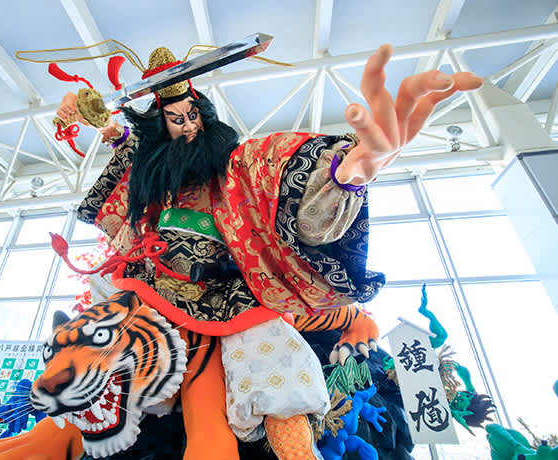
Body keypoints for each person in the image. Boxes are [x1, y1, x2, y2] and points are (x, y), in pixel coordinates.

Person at [53, 43, 483, 460]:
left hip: (225, 294)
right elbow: (128, 149)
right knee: (96, 343)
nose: (187, 127)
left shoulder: (236, 167)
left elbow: (275, 169)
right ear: (160, 124)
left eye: (192, 116)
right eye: (174, 119)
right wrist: (97, 121)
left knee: (271, 361)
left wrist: (344, 173)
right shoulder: (155, 175)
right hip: (154, 287)